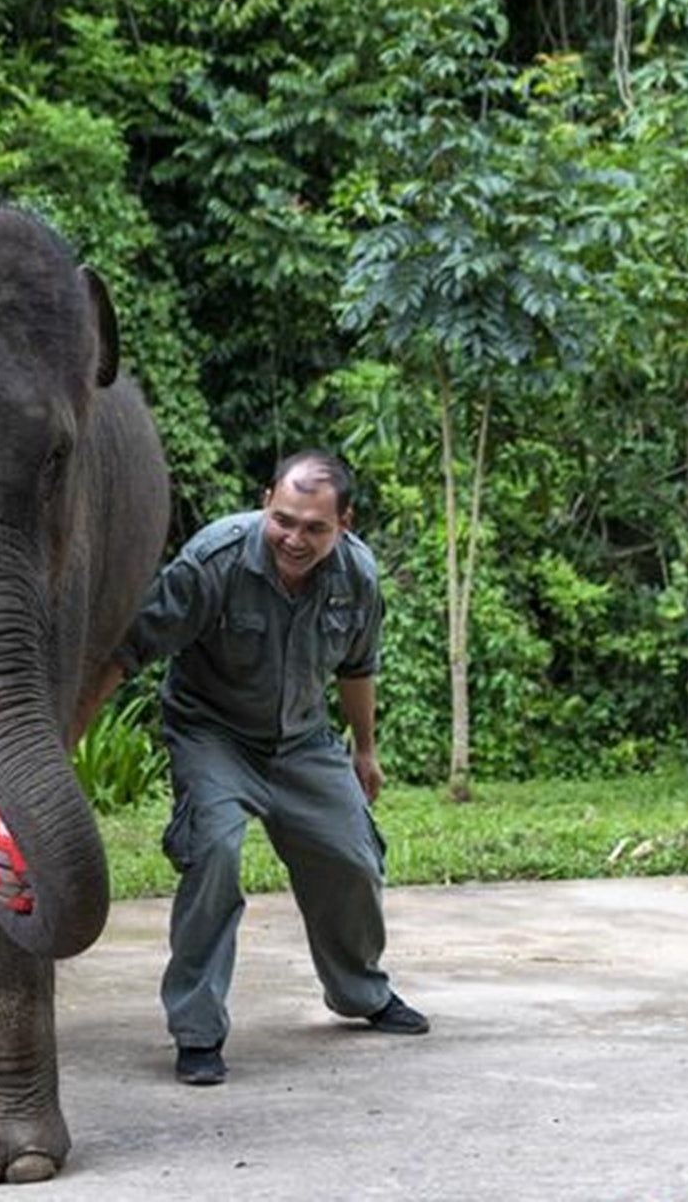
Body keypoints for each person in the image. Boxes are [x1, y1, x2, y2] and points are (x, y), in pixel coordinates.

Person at [105, 449, 428, 1086]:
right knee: (215, 850)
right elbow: (128, 652)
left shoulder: (356, 575)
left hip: (303, 741)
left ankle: (359, 991)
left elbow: (358, 667)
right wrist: (64, 740)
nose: (295, 538)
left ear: (345, 524)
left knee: (353, 856)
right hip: (212, 734)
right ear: (265, 502)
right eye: (283, 519)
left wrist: (364, 750)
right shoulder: (214, 560)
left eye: (314, 527)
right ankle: (197, 1031)